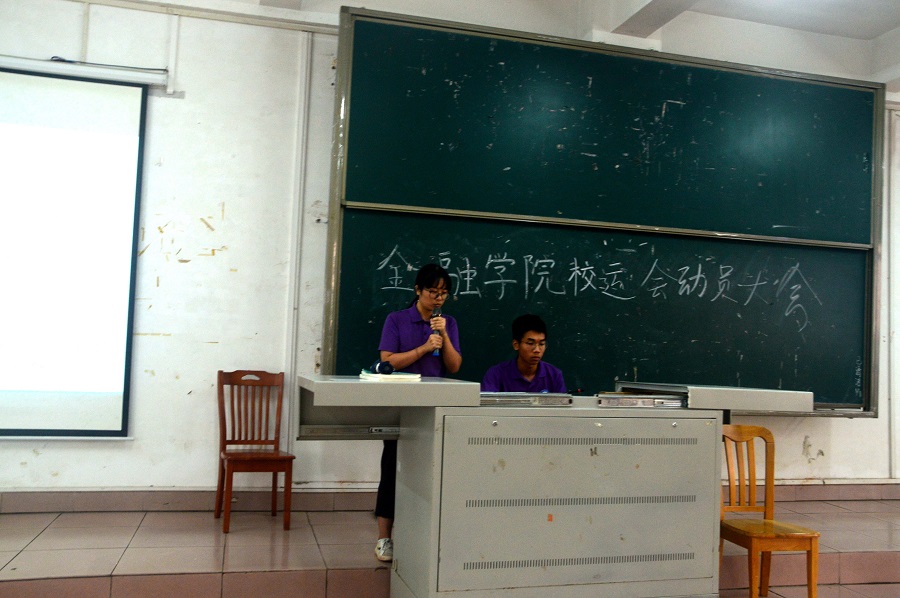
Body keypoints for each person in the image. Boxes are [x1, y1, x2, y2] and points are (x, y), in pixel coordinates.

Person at [374, 263, 462, 562]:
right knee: (392, 468)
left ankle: (426, 535)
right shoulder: (397, 320)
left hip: (435, 406)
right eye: (433, 292)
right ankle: (384, 538)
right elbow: (387, 362)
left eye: (443, 293)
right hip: (400, 404)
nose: (438, 298)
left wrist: (444, 335)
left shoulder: (447, 323)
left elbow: (454, 366)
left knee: (434, 471)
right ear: (418, 290)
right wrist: (424, 348)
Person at [481, 314, 566, 393]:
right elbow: (488, 404)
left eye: (541, 344)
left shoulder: (554, 375)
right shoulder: (496, 374)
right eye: (530, 343)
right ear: (516, 345)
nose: (537, 350)